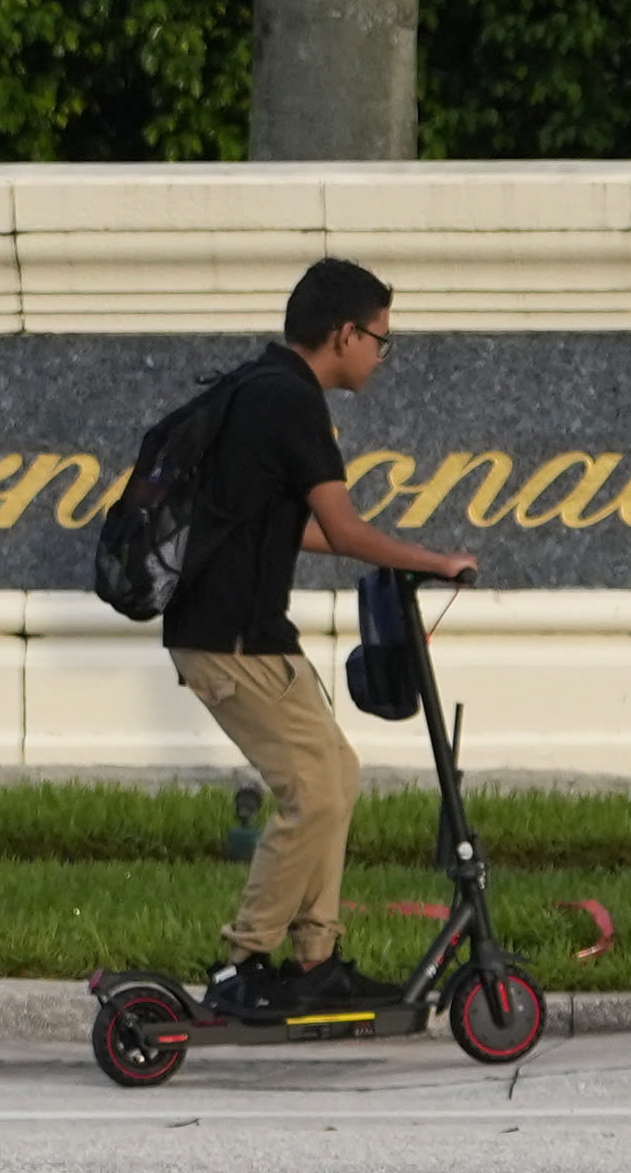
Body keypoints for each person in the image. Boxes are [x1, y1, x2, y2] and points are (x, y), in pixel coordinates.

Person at [160, 253, 475, 1031]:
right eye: (378, 339)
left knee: (335, 770)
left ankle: (315, 961)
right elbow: (340, 524)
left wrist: (400, 560)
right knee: (315, 789)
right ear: (342, 334)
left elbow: (289, 529)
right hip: (229, 640)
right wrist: (434, 560)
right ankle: (244, 962)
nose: (379, 354)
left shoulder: (260, 388)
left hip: (248, 633)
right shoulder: (287, 402)